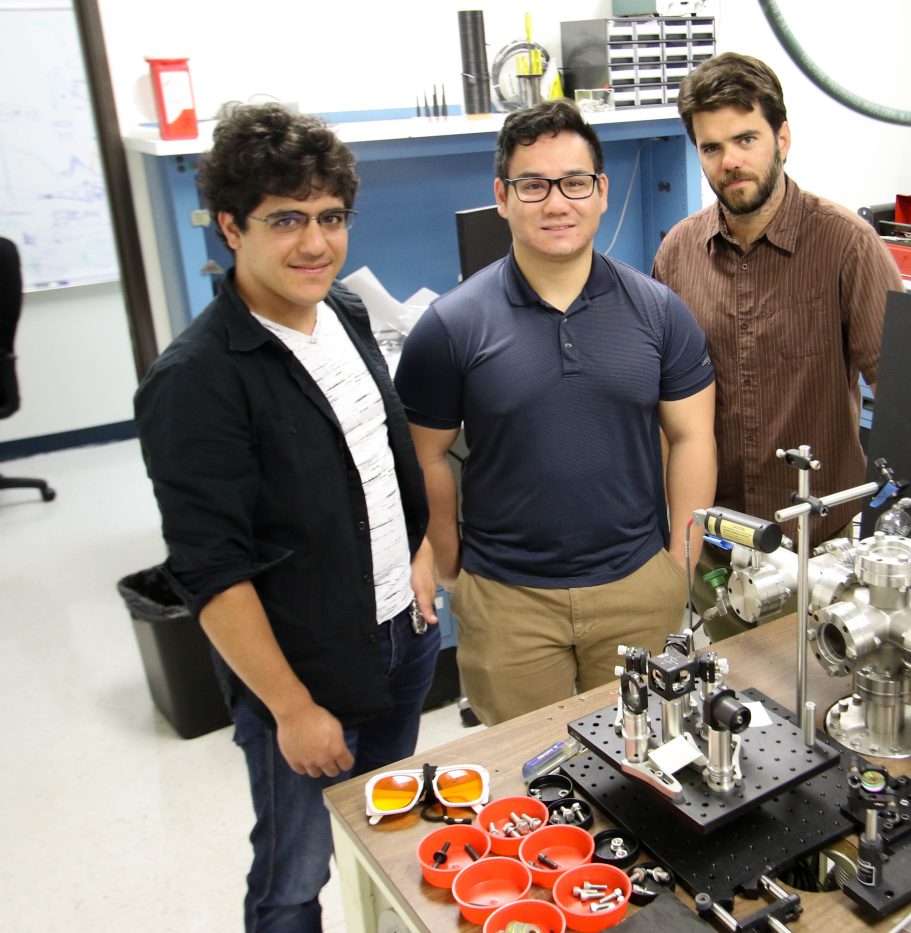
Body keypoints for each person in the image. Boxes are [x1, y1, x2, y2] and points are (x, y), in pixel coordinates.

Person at [134, 103, 439, 933]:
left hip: (400, 638)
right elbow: (210, 569)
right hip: (306, 672)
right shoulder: (195, 379)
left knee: (387, 842)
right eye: (287, 220)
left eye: (331, 217)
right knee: (294, 874)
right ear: (232, 227)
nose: (315, 243)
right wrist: (292, 707)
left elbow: (377, 460)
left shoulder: (342, 312)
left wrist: (418, 550)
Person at [395, 99, 716, 726]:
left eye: (573, 182)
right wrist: (452, 566)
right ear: (502, 196)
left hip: (637, 589)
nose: (555, 202)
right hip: (509, 601)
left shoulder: (659, 312)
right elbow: (424, 453)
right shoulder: (450, 326)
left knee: (641, 764)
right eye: (532, 185)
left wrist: (681, 560)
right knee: (531, 784)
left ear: (600, 192)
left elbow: (692, 435)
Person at [652, 52, 902, 641]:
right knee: (728, 710)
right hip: (718, 545)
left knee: (817, 708)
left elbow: (905, 392)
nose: (729, 161)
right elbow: (663, 410)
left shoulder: (847, 246)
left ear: (782, 137)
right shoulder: (678, 254)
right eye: (710, 148)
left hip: (822, 549)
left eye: (746, 138)